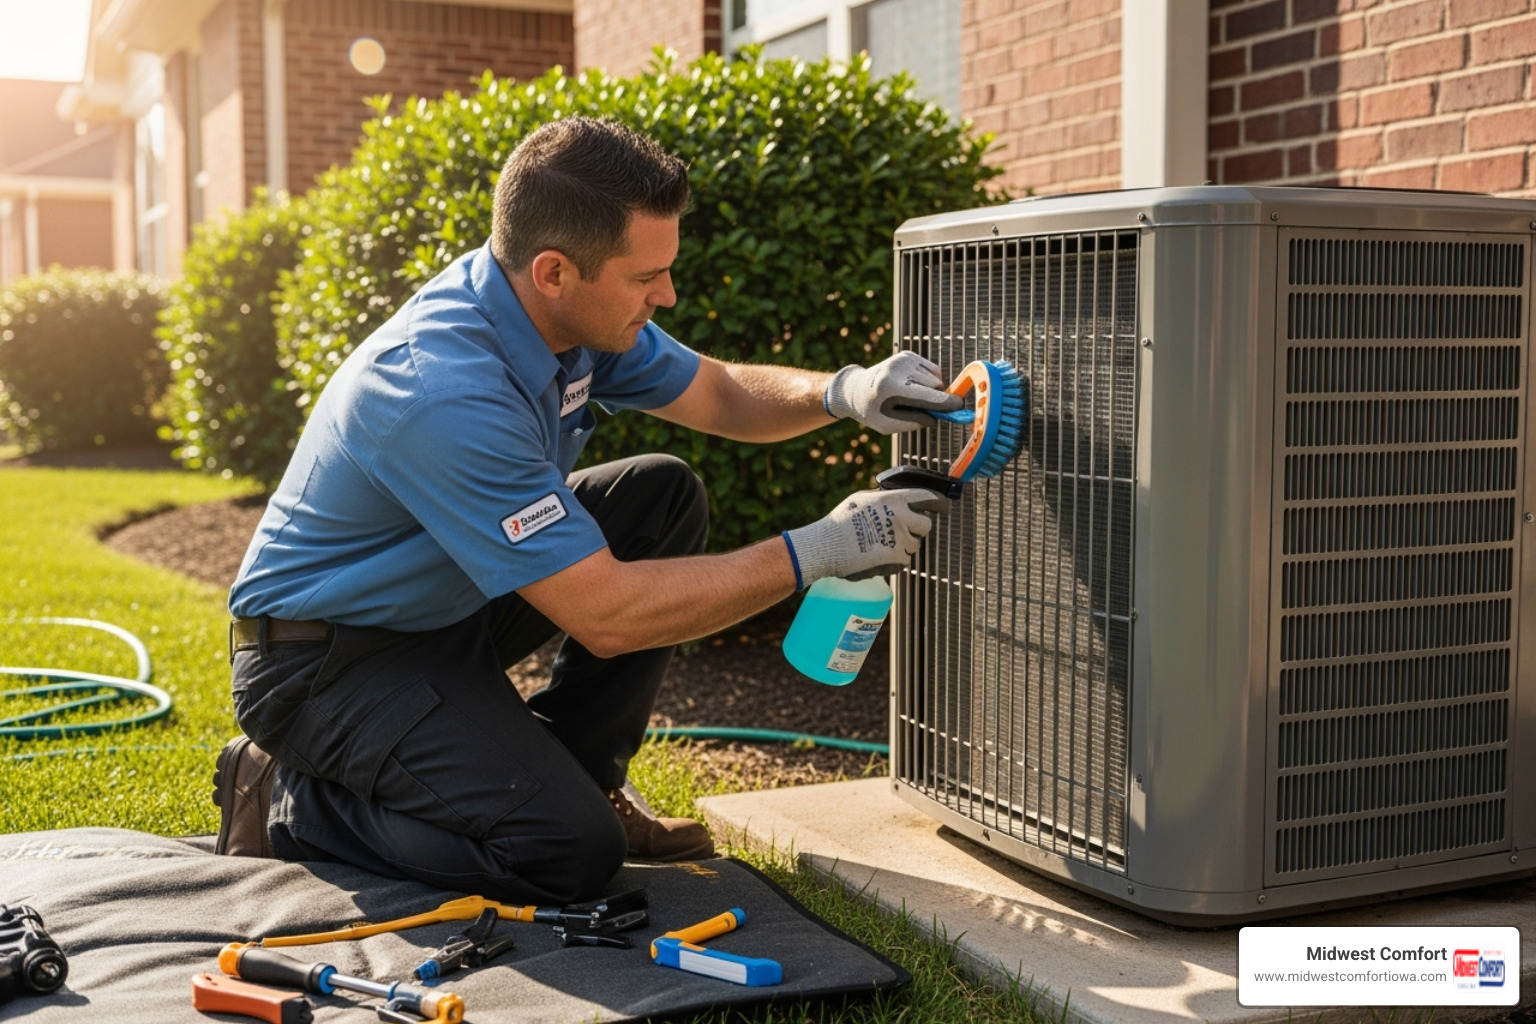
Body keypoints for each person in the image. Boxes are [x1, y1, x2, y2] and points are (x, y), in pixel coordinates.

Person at [214, 116, 958, 906]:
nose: (666, 295)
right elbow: (606, 614)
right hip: (325, 663)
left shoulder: (567, 317)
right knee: (565, 854)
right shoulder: (440, 390)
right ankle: (290, 795)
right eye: (646, 278)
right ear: (554, 272)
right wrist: (822, 549)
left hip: (440, 605)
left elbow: (720, 392)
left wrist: (846, 390)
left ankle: (583, 776)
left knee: (660, 493)